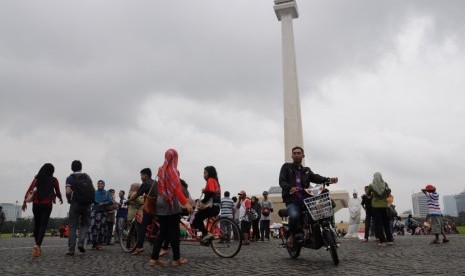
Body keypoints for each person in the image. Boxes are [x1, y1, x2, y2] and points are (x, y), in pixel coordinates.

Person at [278, 146, 338, 246]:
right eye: (295, 153)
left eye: (298, 153)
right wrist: (290, 188)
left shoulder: (306, 170)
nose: (296, 155)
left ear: (303, 155)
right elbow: (282, 181)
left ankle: (322, 232)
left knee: (320, 211)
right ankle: (292, 235)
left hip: (306, 199)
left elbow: (315, 177)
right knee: (294, 215)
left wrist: (328, 179)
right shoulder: (286, 167)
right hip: (292, 200)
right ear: (292, 155)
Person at [149, 148, 193, 267]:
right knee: (174, 232)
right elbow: (177, 190)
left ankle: (154, 258)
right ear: (175, 158)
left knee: (162, 232)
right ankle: (176, 259)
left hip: (160, 202)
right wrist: (186, 203)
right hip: (170, 204)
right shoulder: (172, 171)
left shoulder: (161, 170)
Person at [21, 163, 63, 257]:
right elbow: (58, 191)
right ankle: (38, 245)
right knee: (43, 225)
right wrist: (60, 198)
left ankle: (37, 247)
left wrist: (24, 201)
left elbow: (30, 190)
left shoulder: (37, 178)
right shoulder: (54, 180)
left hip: (36, 204)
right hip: (47, 205)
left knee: (37, 224)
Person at [65, 160, 94, 256]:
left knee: (72, 226)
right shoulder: (87, 176)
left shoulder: (70, 178)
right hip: (86, 204)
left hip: (75, 203)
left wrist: (69, 200)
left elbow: (68, 192)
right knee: (85, 224)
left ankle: (71, 249)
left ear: (71, 168)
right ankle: (81, 242)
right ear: (81, 167)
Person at [126, 168, 156, 255]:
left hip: (150, 208)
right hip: (158, 208)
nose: (141, 178)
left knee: (143, 225)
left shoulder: (145, 183)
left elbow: (136, 195)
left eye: (141, 176)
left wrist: (128, 201)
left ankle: (139, 247)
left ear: (145, 176)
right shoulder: (155, 183)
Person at [192, 166, 221, 243]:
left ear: (209, 173)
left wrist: (203, 202)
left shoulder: (210, 180)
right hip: (217, 207)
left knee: (195, 220)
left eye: (205, 173)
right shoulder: (216, 181)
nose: (203, 175)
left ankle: (206, 234)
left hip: (211, 207)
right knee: (199, 217)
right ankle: (205, 235)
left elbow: (211, 192)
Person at [367, 172, 393, 246]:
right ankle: (390, 240)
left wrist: (372, 194)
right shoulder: (385, 184)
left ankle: (383, 241)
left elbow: (368, 194)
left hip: (376, 207)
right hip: (384, 206)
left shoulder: (371, 185)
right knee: (386, 224)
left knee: (379, 225)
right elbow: (388, 194)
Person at [87, 180, 113, 250]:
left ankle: (99, 243)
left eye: (101, 184)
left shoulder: (107, 193)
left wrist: (103, 203)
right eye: (98, 183)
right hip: (94, 211)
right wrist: (95, 202)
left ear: (104, 185)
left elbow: (111, 201)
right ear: (97, 185)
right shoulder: (94, 192)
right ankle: (94, 242)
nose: (100, 185)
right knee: (93, 227)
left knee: (102, 227)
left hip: (103, 212)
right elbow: (90, 200)